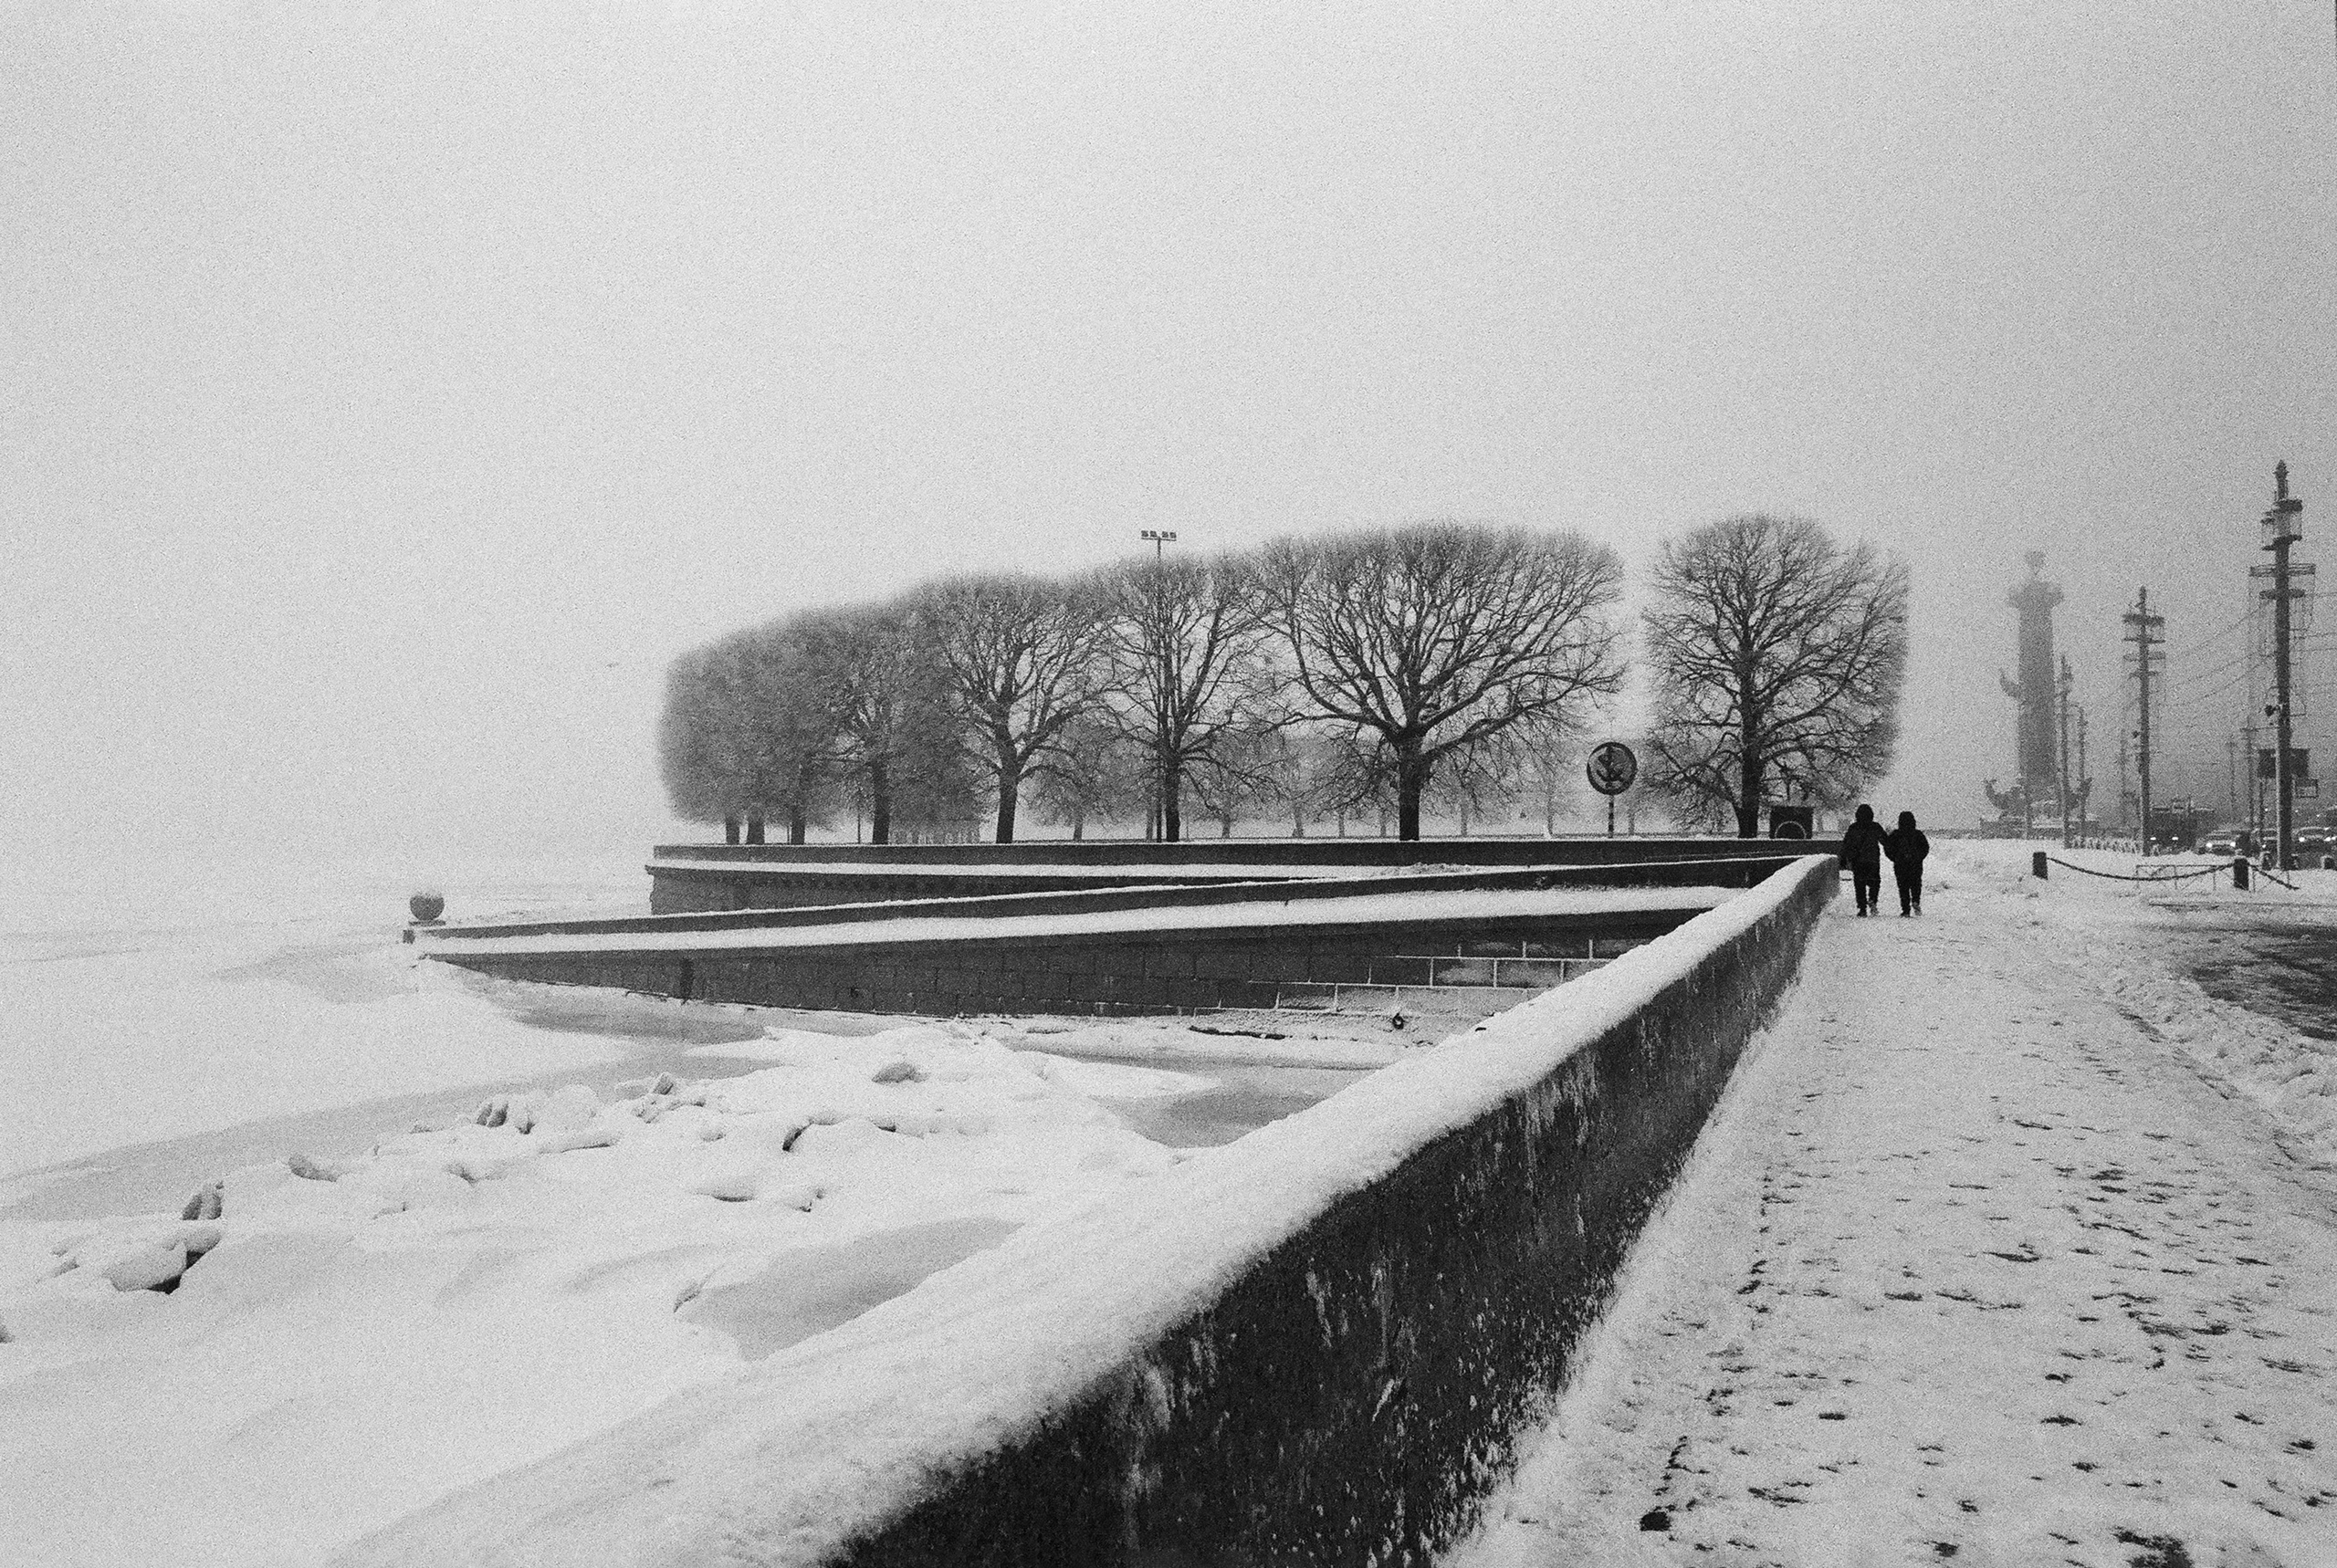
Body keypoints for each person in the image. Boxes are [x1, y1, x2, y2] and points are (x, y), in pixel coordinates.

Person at [1839, 803, 1888, 916]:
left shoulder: (1853, 828)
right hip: (1872, 859)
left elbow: (1846, 844)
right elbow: (1885, 841)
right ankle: (1872, 899)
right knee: (1875, 882)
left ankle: (1862, 908)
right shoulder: (1875, 827)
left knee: (1859, 884)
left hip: (1858, 860)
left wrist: (1844, 859)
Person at [1883, 810, 1930, 916]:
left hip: (1900, 864)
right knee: (1916, 884)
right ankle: (1916, 901)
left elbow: (1888, 848)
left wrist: (1895, 858)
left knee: (1903, 887)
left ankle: (1906, 910)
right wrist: (1919, 858)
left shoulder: (1895, 834)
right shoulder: (1918, 834)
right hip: (1915, 864)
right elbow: (1925, 848)